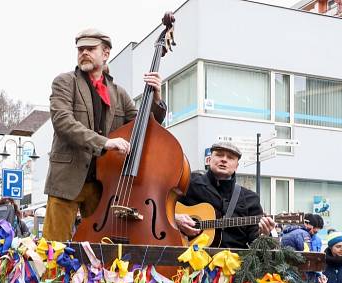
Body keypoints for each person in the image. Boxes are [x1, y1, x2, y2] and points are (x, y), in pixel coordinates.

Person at [42, 28, 167, 242]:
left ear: (106, 53)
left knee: (98, 250)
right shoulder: (64, 82)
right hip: (66, 181)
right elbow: (63, 122)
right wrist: (106, 142)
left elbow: (143, 127)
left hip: (103, 186)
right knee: (53, 248)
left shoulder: (119, 93)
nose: (84, 53)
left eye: (90, 49)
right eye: (81, 49)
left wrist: (156, 99)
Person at [175, 141, 274, 245]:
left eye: (230, 157)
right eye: (219, 155)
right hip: (185, 255)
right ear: (209, 160)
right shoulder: (188, 183)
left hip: (234, 259)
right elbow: (159, 206)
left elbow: (255, 243)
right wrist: (175, 218)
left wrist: (264, 234)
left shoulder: (250, 198)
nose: (224, 159)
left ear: (236, 166)